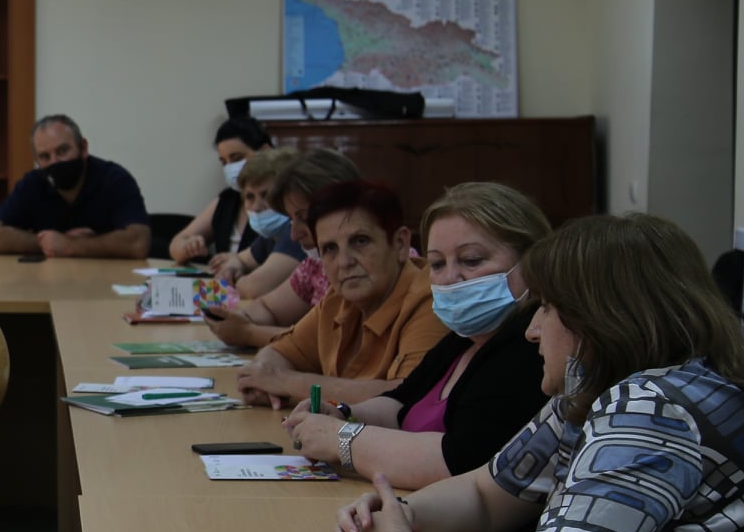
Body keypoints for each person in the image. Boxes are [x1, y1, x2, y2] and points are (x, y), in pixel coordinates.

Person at [334, 213, 744, 532]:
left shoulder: (649, 410)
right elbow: (488, 494)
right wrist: (399, 514)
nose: (532, 330)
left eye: (547, 307)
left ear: (600, 318)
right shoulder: (591, 391)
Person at [283, 183, 550, 491]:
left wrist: (341, 440)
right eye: (437, 263)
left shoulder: (531, 347)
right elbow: (400, 403)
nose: (449, 278)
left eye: (471, 260)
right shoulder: (466, 338)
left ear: (531, 262)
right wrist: (345, 414)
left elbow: (460, 460)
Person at [234, 179, 447, 409]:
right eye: (330, 249)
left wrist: (285, 382)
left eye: (360, 241)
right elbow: (278, 352)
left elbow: (408, 396)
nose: (344, 262)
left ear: (400, 244)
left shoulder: (432, 300)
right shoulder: (338, 299)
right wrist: (264, 380)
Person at [202, 149, 361, 349]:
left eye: (303, 218)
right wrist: (236, 319)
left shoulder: (360, 266)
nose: (293, 234)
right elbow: (269, 309)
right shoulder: (315, 264)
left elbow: (326, 344)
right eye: (291, 219)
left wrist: (248, 333)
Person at [0, 114, 150, 259]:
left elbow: (139, 242)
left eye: (62, 151)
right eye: (45, 156)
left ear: (83, 148)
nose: (54, 162)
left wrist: (70, 246)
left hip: (108, 280)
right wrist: (47, 243)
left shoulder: (114, 179)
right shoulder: (32, 183)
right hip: (49, 280)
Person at [168, 116, 270, 262]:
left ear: (265, 151)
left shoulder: (283, 199)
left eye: (237, 159)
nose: (231, 168)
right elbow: (176, 245)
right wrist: (188, 246)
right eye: (224, 162)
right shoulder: (227, 199)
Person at [206, 147, 303, 298]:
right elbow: (239, 260)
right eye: (250, 197)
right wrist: (231, 268)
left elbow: (254, 288)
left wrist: (234, 280)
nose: (256, 207)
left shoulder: (296, 233)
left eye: (266, 195)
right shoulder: (272, 235)